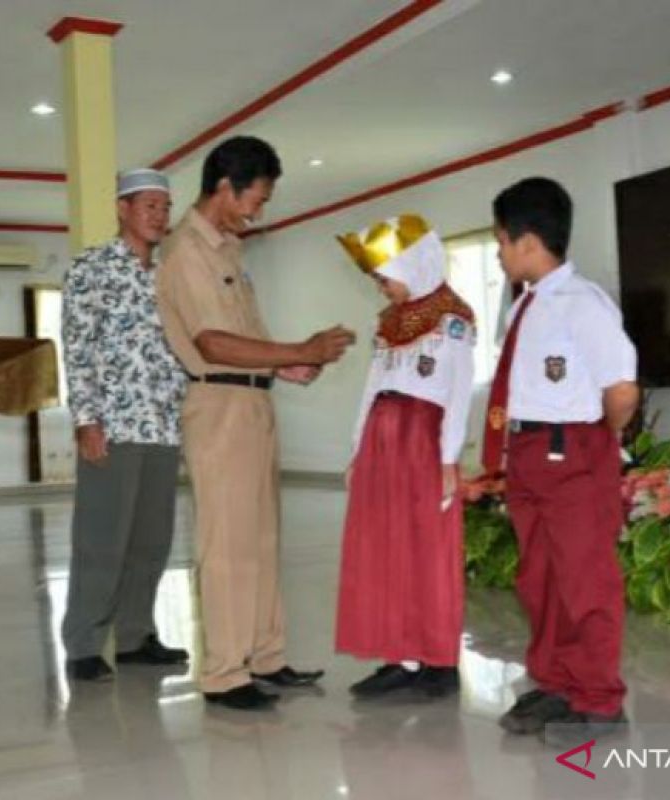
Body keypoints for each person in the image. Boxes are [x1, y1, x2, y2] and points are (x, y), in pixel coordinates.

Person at [156, 136, 355, 710]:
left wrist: (287, 365)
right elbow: (212, 342)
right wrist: (299, 345)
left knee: (263, 537)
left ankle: (265, 657)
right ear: (225, 187)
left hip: (251, 401)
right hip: (217, 408)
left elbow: (242, 338)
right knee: (226, 544)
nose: (258, 212)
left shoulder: (228, 252)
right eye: (256, 200)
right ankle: (223, 673)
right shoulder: (186, 251)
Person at [485, 178, 639, 746]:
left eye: (500, 242)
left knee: (584, 582)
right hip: (528, 453)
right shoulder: (525, 307)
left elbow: (621, 389)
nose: (500, 253)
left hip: (572, 449)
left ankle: (599, 701)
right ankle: (556, 683)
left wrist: (597, 441)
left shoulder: (584, 304)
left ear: (525, 241)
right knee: (540, 579)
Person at [334, 214, 475, 700]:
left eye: (383, 275)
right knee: (383, 547)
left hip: (423, 444)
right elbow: (372, 388)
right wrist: (357, 449)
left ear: (413, 263)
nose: (380, 286)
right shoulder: (389, 321)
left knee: (426, 548)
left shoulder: (452, 318)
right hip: (382, 444)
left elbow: (457, 392)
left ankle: (437, 661)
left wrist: (448, 458)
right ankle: (398, 655)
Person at [60, 168, 190, 682]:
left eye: (165, 206)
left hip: (164, 425)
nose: (160, 216)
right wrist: (86, 419)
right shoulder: (91, 269)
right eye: (149, 206)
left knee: (151, 540)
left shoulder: (170, 275)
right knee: (101, 538)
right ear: (123, 209)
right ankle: (84, 643)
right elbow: (77, 348)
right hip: (113, 425)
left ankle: (136, 636)